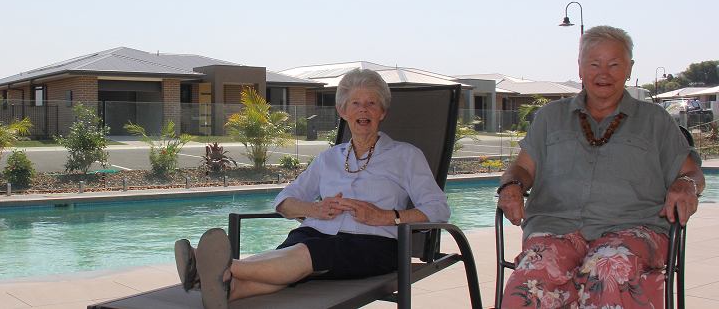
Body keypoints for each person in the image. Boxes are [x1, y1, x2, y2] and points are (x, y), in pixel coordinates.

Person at [174, 68, 451, 308]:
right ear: (343, 112)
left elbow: (438, 209)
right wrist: (313, 208)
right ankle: (230, 289)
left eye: (371, 103)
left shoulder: (406, 156)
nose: (363, 109)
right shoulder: (328, 158)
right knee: (288, 255)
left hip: (375, 244)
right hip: (317, 232)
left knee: (305, 256)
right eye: (355, 103)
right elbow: (284, 201)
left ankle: (220, 267)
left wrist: (387, 217)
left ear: (383, 112)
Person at [497, 25, 704, 309]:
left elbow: (691, 173)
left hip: (633, 230)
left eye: (614, 64)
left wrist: (686, 185)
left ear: (629, 68)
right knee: (529, 279)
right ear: (580, 68)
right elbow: (521, 169)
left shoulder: (655, 120)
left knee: (605, 269)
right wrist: (511, 185)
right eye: (594, 64)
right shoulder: (550, 117)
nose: (603, 73)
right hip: (558, 229)